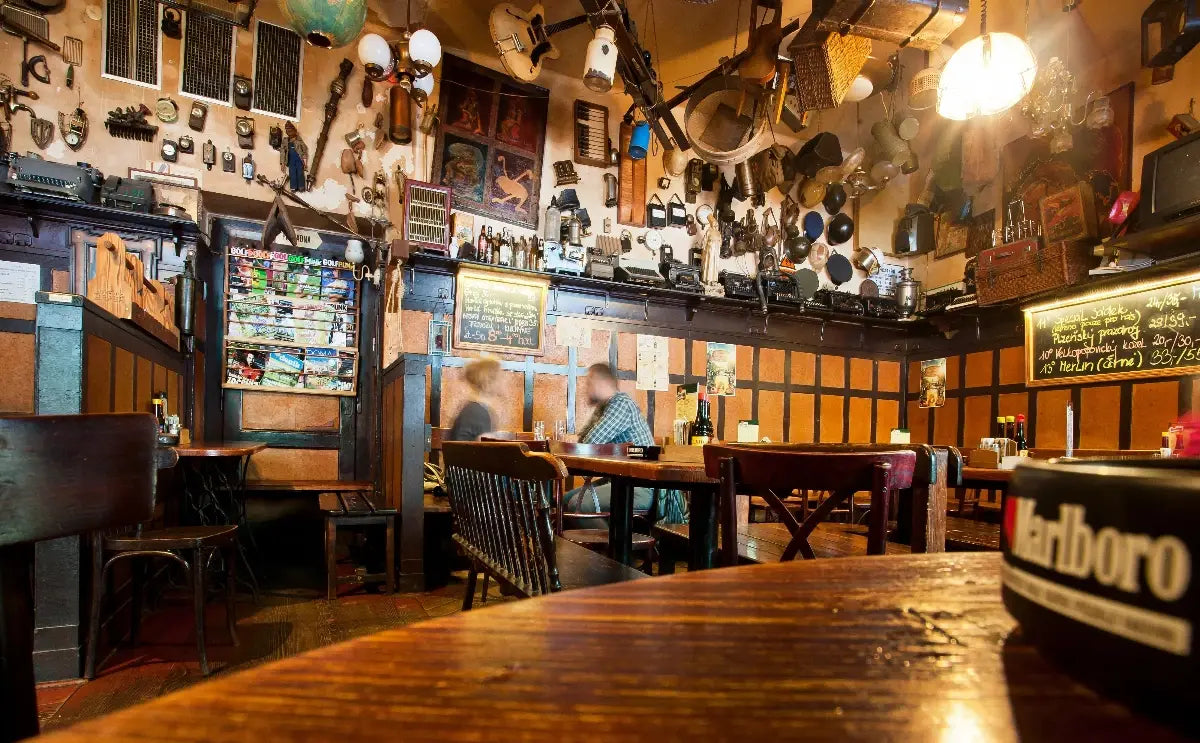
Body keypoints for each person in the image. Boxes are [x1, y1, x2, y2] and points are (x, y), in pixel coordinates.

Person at [567, 363, 686, 523]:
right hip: (620, 480)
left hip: (642, 486)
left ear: (601, 383)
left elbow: (590, 444)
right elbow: (582, 442)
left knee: (577, 504)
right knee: (563, 500)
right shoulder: (605, 407)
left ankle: (610, 548)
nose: (585, 388)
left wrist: (574, 441)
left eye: (588, 383)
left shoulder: (621, 404)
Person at [447, 358, 500, 441]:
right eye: (500, 377)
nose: (503, 381)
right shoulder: (478, 412)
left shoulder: (474, 408)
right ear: (488, 382)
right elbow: (487, 450)